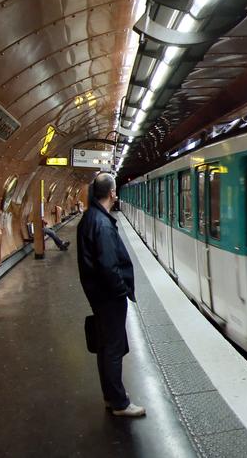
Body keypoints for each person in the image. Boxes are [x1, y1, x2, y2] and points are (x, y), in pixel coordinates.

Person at [77, 172, 145, 418]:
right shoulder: (102, 223)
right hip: (108, 297)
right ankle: (120, 403)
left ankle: (110, 396)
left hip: (99, 295)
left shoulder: (90, 218)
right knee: (113, 349)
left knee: (106, 347)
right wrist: (121, 290)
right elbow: (107, 265)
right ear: (112, 193)